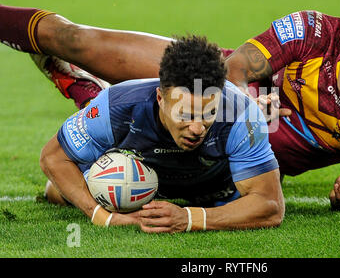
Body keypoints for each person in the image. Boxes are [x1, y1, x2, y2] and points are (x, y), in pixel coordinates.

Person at [0, 5, 340, 210]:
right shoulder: (317, 31)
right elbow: (235, 69)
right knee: (73, 39)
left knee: (79, 184)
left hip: (216, 164)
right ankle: (83, 83)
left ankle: (82, 90)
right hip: (206, 87)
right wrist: (250, 108)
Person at [38, 35, 285, 233]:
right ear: (160, 98)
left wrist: (189, 218)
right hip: (142, 177)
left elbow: (270, 205)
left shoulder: (242, 115)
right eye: (186, 115)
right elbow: (53, 158)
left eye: (209, 113)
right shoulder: (118, 106)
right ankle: (86, 90)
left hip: (214, 188)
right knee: (56, 192)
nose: (198, 128)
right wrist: (103, 217)